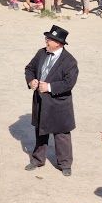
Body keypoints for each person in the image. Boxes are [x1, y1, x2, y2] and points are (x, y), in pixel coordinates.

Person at [24, 25, 78, 175]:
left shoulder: (69, 61)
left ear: (58, 44)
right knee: (40, 131)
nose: (46, 41)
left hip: (59, 104)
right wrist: (31, 81)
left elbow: (69, 83)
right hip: (41, 101)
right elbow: (29, 69)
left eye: (49, 39)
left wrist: (49, 87)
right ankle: (37, 159)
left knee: (61, 134)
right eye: (47, 38)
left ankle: (65, 164)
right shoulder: (41, 53)